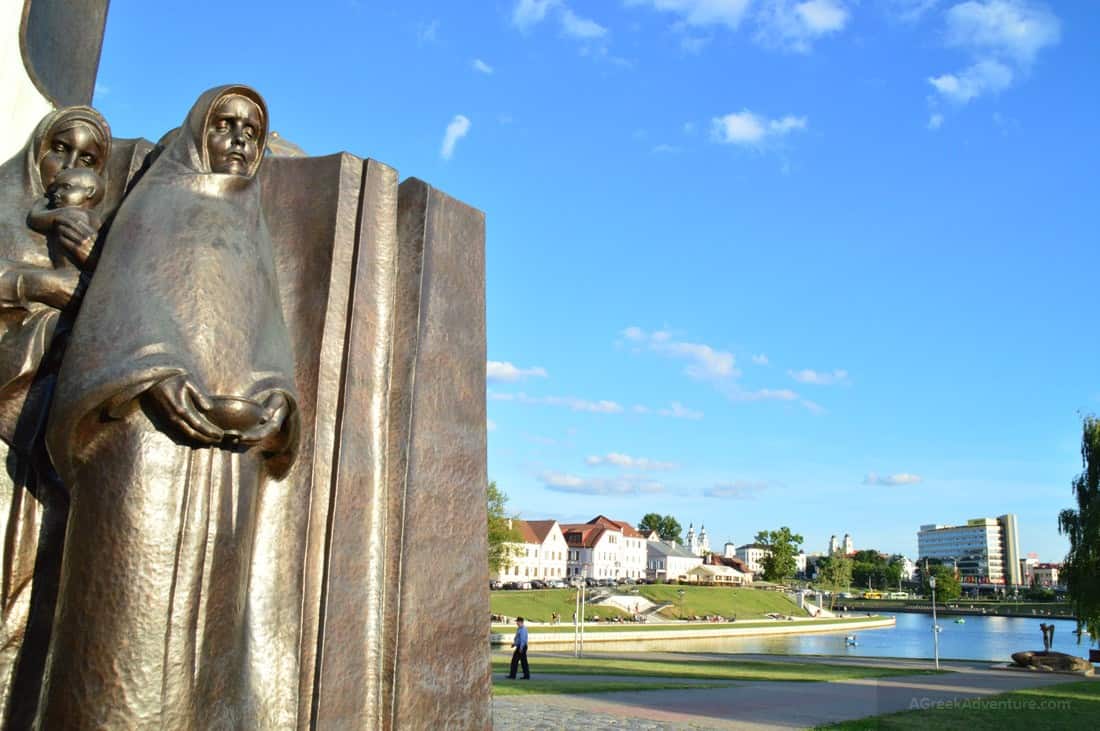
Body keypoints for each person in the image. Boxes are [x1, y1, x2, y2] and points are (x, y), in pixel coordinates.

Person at [37, 85, 300, 730]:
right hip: (140, 439)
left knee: (213, 624)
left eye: (252, 131)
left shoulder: (252, 228)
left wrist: (278, 404)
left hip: (230, 455)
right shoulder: (154, 206)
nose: (241, 139)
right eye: (226, 125)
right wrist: (153, 377)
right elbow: (115, 313)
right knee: (125, 609)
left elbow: (266, 338)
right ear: (196, 134)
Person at [0, 105, 112, 721]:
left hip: (50, 449)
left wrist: (94, 261)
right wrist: (36, 285)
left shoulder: (90, 238)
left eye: (88, 159)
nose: (68, 167)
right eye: (59, 151)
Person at [27, 167, 105, 269]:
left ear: (89, 192)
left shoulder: (73, 213)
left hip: (69, 276)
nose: (56, 194)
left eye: (66, 187)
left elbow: (35, 218)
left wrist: (41, 203)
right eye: (55, 189)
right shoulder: (96, 219)